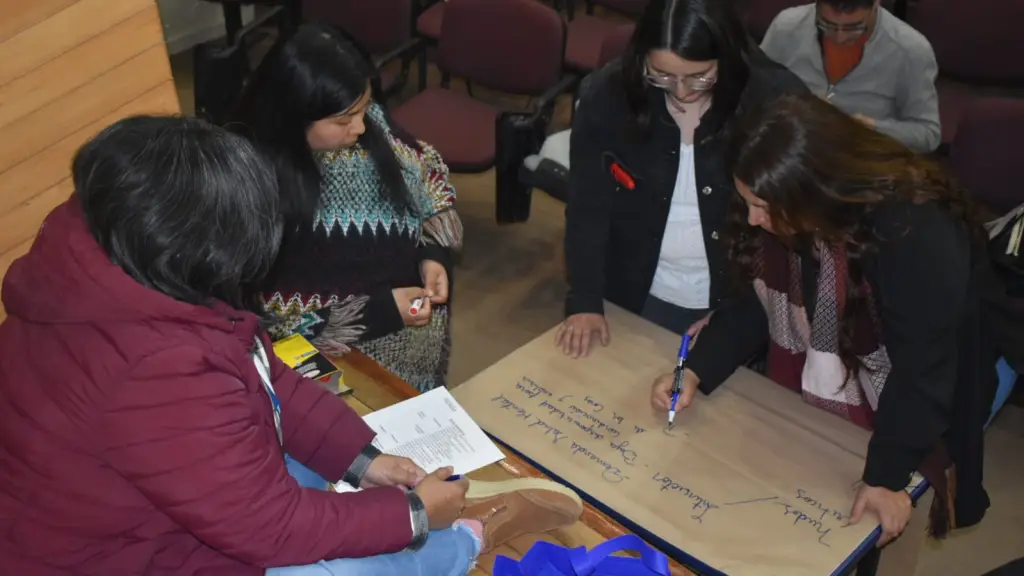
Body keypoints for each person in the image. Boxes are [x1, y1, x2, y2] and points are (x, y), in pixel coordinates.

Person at [0, 116, 581, 575]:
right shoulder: (153, 368)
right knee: (340, 567)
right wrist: (411, 517)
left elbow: (256, 368)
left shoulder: (123, 257)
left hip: (132, 514)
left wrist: (364, 461)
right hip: (112, 559)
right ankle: (466, 543)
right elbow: (266, 528)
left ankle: (430, 529)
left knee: (315, 494)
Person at [650, 93, 992, 546]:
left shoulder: (915, 230)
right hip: (822, 392)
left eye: (765, 209)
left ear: (817, 193)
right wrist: (697, 368)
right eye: (747, 201)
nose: (753, 219)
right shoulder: (780, 200)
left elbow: (923, 372)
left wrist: (887, 477)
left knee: (860, 536)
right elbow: (758, 300)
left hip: (907, 402)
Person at [558, 0, 806, 358]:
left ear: (728, 56)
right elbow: (587, 207)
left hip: (740, 298)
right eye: (661, 75)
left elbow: (796, 224)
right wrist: (584, 300)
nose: (681, 92)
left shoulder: (775, 99)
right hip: (640, 288)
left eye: (699, 76)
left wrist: (737, 317)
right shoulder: (607, 95)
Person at [229, 23, 462, 391]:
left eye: (364, 109)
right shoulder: (245, 187)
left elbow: (430, 177)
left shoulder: (371, 124)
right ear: (293, 115)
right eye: (343, 120)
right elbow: (251, 326)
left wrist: (434, 252)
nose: (360, 127)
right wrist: (377, 314)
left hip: (411, 357)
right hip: (335, 377)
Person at [760, 0, 941, 153]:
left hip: (862, 160)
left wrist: (870, 128)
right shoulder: (786, 27)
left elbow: (928, 134)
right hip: (790, 149)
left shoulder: (912, 51)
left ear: (876, 4)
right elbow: (754, 90)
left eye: (854, 27)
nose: (840, 38)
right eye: (827, 25)